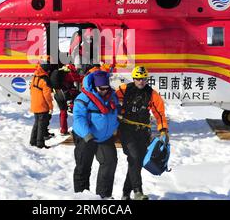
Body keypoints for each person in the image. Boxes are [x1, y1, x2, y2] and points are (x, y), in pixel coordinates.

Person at [116, 66, 169, 200]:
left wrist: (163, 131)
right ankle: (137, 191)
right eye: (138, 79)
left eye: (143, 79)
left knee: (137, 161)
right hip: (126, 130)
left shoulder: (152, 94)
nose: (141, 82)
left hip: (143, 132)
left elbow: (159, 113)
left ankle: (125, 193)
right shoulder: (124, 89)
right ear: (134, 78)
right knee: (134, 157)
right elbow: (110, 98)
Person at [72, 70, 119, 199]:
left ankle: (104, 196)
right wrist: (87, 135)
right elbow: (79, 118)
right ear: (94, 86)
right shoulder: (83, 98)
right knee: (83, 167)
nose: (104, 91)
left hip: (105, 138)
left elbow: (116, 112)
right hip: (86, 137)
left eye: (106, 88)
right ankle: (82, 197)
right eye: (101, 88)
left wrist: (116, 127)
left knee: (109, 163)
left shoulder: (112, 96)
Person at [51, 64, 82, 136]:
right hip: (65, 94)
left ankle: (63, 130)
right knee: (77, 108)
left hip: (57, 94)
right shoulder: (69, 74)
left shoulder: (60, 73)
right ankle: (77, 128)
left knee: (63, 111)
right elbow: (78, 79)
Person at [30, 60, 54, 149]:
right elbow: (47, 95)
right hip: (42, 105)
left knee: (36, 123)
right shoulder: (45, 79)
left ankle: (33, 141)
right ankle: (40, 143)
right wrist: (50, 106)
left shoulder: (35, 76)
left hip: (35, 104)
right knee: (42, 125)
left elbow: (31, 89)